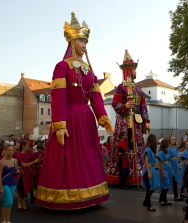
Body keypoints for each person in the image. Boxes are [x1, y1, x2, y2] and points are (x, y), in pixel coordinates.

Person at [35, 12, 113, 210]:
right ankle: (66, 195)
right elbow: (58, 97)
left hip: (85, 119)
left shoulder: (89, 69)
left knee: (87, 154)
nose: (84, 44)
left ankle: (91, 192)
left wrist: (103, 119)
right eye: (80, 40)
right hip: (69, 118)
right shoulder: (61, 67)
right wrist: (59, 124)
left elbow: (95, 96)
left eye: (86, 40)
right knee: (68, 156)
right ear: (71, 42)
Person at [106, 50, 150, 186]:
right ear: (129, 70)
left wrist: (146, 121)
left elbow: (143, 104)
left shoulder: (138, 88)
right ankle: (122, 176)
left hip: (136, 121)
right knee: (125, 145)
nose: (136, 72)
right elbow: (115, 104)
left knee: (137, 144)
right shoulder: (120, 87)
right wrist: (125, 106)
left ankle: (137, 173)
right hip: (124, 121)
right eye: (134, 70)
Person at [0, 145, 21, 223]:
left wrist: (18, 172)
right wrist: (0, 187)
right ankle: (8, 221)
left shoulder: (15, 161)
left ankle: (3, 220)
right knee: (10, 202)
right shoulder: (2, 161)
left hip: (13, 183)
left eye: (12, 150)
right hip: (4, 183)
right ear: (5, 151)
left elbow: (15, 171)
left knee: (6, 202)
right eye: (9, 150)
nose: (10, 152)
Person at [16, 141, 41, 211]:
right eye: (27, 146)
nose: (29, 147)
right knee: (22, 190)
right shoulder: (19, 155)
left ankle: (24, 206)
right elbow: (24, 165)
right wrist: (34, 162)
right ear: (23, 146)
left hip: (27, 173)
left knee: (26, 190)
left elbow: (31, 161)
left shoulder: (28, 154)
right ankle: (19, 205)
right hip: (22, 174)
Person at [141, 134, 159, 211]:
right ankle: (148, 204)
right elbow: (146, 161)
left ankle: (146, 201)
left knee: (153, 186)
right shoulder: (147, 149)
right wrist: (148, 172)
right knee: (150, 187)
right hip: (148, 169)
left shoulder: (151, 149)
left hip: (152, 168)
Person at [168, 136, 183, 201]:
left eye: (174, 139)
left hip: (176, 165)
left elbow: (176, 156)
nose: (173, 140)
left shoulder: (174, 148)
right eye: (172, 139)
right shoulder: (168, 149)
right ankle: (162, 194)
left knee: (175, 182)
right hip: (171, 165)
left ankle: (176, 196)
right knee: (169, 181)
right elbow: (168, 159)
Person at [158, 139, 173, 206]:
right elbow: (160, 163)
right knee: (165, 184)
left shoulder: (167, 151)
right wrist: (163, 172)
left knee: (168, 184)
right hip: (163, 168)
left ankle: (164, 199)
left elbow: (169, 161)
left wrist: (171, 171)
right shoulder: (161, 152)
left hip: (168, 167)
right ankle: (161, 199)